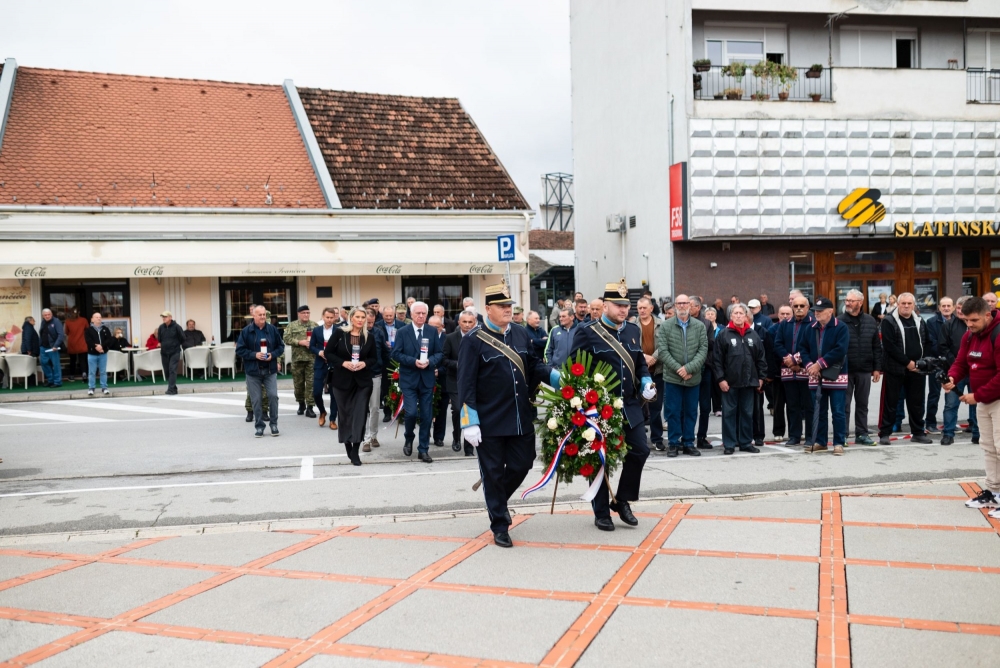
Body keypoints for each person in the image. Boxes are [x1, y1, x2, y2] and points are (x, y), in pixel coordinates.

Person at [459, 281, 553, 547]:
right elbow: (465, 383)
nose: (508, 309)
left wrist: (558, 378)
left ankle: (497, 502)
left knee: (523, 463)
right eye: (502, 306)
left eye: (509, 305)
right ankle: (500, 524)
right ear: (488, 309)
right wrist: (469, 421)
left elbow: (534, 366)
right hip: (489, 420)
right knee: (492, 472)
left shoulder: (521, 333)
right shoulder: (473, 340)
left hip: (520, 416)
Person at [569, 279, 656, 532]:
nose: (623, 309)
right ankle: (601, 512)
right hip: (599, 407)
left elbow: (639, 363)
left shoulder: (632, 330)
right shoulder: (587, 332)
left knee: (640, 450)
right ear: (605, 306)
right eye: (618, 305)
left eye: (626, 305)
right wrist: (583, 402)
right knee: (599, 459)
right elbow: (574, 368)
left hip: (628, 404)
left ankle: (622, 499)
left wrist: (646, 381)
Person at [943, 296, 1000, 515]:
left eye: (974, 320)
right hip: (984, 400)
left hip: (994, 399)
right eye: (966, 320)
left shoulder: (998, 334)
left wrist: (977, 395)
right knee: (989, 448)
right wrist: (952, 377)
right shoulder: (969, 336)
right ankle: (993, 492)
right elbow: (961, 363)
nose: (969, 325)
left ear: (987, 315)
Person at [391, 301, 444, 462]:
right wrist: (414, 361)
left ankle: (423, 449)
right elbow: (396, 354)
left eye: (423, 313)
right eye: (418, 313)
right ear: (411, 314)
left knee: (427, 416)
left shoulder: (432, 331)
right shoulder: (403, 332)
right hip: (409, 379)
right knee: (411, 413)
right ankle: (409, 437)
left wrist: (430, 361)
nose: (421, 316)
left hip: (427, 379)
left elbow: (439, 353)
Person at [656, 294, 707, 457]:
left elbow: (703, 350)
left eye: (685, 303)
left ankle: (688, 443)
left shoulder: (699, 326)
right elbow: (663, 351)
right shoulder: (666, 326)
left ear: (690, 306)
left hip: (693, 377)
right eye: (679, 303)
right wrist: (679, 369)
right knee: (673, 411)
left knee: (691, 411)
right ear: (675, 306)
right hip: (673, 377)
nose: (682, 306)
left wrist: (689, 368)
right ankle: (673, 443)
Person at [326, 307, 378, 466]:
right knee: (345, 416)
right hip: (342, 382)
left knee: (360, 415)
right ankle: (347, 444)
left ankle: (355, 449)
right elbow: (328, 353)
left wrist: (364, 363)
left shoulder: (369, 337)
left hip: (363, 383)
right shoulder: (340, 333)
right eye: (358, 317)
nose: (360, 320)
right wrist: (343, 363)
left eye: (363, 317)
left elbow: (374, 358)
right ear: (351, 318)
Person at [878, 293, 932, 445]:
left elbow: (928, 342)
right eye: (903, 303)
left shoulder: (920, 320)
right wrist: (908, 362)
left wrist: (921, 362)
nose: (906, 306)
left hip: (917, 370)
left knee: (917, 403)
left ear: (914, 305)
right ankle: (885, 433)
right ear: (898, 304)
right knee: (890, 402)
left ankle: (918, 433)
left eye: (909, 303)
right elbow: (889, 346)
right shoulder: (889, 321)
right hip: (895, 369)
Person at [712, 304, 767, 454]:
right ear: (731, 316)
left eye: (740, 313)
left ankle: (746, 443)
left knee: (747, 414)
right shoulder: (723, 335)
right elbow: (717, 360)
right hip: (729, 383)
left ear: (745, 316)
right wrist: (721, 379)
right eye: (735, 313)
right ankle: (729, 444)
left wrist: (761, 378)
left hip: (749, 382)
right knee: (729, 414)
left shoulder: (753, 335)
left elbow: (761, 358)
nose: (738, 316)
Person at [802, 297, 850, 454]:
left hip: (836, 376)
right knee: (819, 411)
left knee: (838, 412)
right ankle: (821, 441)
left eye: (820, 311)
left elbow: (840, 349)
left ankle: (838, 443)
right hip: (815, 376)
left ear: (830, 311)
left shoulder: (841, 327)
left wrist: (819, 364)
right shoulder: (810, 328)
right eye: (815, 310)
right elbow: (803, 349)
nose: (816, 313)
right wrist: (810, 366)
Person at [237, 305, 285, 437]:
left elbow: (281, 347)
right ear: (254, 315)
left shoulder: (272, 329)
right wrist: (254, 355)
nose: (263, 317)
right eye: (260, 315)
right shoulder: (246, 331)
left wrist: (273, 355)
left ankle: (274, 424)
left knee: (273, 396)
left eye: (264, 314)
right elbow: (240, 350)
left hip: (270, 370)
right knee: (256, 400)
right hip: (253, 372)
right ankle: (259, 426)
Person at [841, 289, 882, 446]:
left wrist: (877, 368)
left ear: (860, 302)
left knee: (862, 405)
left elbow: (876, 346)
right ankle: (842, 435)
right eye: (846, 300)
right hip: (845, 370)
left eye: (851, 301)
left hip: (864, 369)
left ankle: (862, 434)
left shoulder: (870, 321)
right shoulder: (839, 321)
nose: (848, 303)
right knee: (844, 405)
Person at [774, 294, 815, 446]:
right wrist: (789, 361)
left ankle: (810, 436)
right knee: (792, 406)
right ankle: (794, 436)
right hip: (788, 371)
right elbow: (777, 344)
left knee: (809, 406)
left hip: (807, 370)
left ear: (808, 307)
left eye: (801, 306)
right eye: (795, 306)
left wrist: (796, 361)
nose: (798, 308)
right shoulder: (785, 324)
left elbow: (813, 346)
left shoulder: (813, 324)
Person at [941, 296, 978, 446]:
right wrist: (957, 363)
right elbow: (943, 347)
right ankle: (948, 434)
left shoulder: (978, 327)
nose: (960, 311)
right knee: (951, 403)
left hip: (975, 371)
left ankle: (977, 433)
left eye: (963, 308)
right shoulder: (948, 325)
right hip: (956, 372)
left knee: (976, 403)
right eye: (958, 308)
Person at [442, 309, 478, 455]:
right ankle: (456, 437)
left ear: (475, 322)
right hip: (454, 381)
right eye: (464, 322)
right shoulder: (450, 338)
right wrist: (459, 365)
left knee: (470, 410)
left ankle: (469, 446)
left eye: (470, 322)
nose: (467, 325)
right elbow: (444, 359)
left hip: (473, 382)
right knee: (458, 409)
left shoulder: (479, 337)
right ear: (459, 322)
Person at [636, 297, 665, 450]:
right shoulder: (632, 325)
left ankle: (657, 438)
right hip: (639, 373)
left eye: (644, 308)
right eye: (639, 308)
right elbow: (629, 345)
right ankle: (639, 439)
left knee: (656, 407)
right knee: (638, 407)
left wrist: (654, 357)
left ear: (651, 308)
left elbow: (666, 343)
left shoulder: (662, 324)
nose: (642, 310)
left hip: (657, 371)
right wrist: (643, 357)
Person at [924, 297, 954, 434]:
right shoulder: (931, 322)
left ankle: (950, 423)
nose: (946, 308)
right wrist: (947, 355)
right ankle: (930, 423)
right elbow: (933, 343)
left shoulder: (958, 321)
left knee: (952, 395)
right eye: (943, 306)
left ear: (953, 307)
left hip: (953, 364)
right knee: (934, 394)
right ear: (939, 308)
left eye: (948, 306)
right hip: (937, 364)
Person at [284, 305, 318, 418]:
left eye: (308, 313)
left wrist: (313, 344)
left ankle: (310, 407)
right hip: (297, 360)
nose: (306, 315)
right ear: (299, 314)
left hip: (311, 359)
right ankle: (301, 403)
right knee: (298, 385)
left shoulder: (314, 325)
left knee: (311, 384)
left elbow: (320, 339)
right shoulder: (292, 325)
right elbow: (286, 339)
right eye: (303, 313)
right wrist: (299, 342)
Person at [309, 307, 339, 429]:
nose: (329, 320)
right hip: (320, 364)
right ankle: (322, 411)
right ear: (323, 317)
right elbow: (311, 346)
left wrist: (333, 355)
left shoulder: (339, 330)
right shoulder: (316, 330)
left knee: (334, 393)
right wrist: (319, 352)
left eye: (332, 317)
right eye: (327, 317)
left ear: (334, 318)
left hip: (334, 365)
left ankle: (333, 419)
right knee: (316, 392)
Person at [361, 308, 386, 451]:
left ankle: (374, 435)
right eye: (367, 323)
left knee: (375, 407)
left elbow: (385, 351)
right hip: (360, 375)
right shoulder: (356, 333)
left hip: (376, 373)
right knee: (363, 408)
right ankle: (366, 439)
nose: (370, 325)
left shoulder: (379, 332)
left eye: (372, 322)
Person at [768, 305, 793, 439]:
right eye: (782, 313)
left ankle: (794, 432)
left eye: (787, 314)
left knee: (793, 404)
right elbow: (771, 352)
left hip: (794, 371)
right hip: (778, 373)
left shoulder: (796, 328)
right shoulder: (772, 330)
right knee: (778, 404)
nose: (785, 316)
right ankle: (778, 432)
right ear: (778, 315)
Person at [374, 305, 403, 421]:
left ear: (395, 315)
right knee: (385, 387)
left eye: (391, 315)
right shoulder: (378, 325)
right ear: (383, 315)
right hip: (384, 360)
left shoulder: (402, 325)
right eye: (386, 316)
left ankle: (399, 411)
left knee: (399, 386)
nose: (389, 318)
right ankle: (387, 412)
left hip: (399, 360)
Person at [430, 315, 450, 448]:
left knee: (441, 411)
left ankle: (438, 437)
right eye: (430, 326)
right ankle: (425, 435)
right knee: (426, 409)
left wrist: (440, 371)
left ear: (442, 327)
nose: (433, 329)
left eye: (436, 327)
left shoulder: (447, 339)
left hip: (442, 379)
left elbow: (449, 359)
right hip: (425, 379)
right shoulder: (423, 337)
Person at [84, 312, 113, 396]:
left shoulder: (105, 329)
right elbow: (88, 341)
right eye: (96, 317)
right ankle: (91, 388)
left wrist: (101, 346)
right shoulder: (88, 330)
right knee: (92, 372)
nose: (99, 318)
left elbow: (109, 339)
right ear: (92, 319)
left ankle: (104, 387)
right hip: (92, 354)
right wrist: (95, 346)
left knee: (103, 371)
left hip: (103, 354)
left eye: (100, 317)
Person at [157, 311, 186, 395]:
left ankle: (171, 389)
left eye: (165, 316)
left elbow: (183, 338)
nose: (164, 318)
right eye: (163, 317)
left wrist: (175, 344)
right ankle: (173, 387)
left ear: (170, 317)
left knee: (172, 370)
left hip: (175, 352)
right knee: (167, 371)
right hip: (164, 353)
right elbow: (159, 339)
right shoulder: (161, 327)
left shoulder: (177, 327)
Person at [37, 308, 64, 388]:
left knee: (56, 365)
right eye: (45, 315)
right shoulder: (43, 322)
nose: (47, 316)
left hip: (53, 347)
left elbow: (61, 335)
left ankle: (57, 382)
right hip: (43, 347)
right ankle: (50, 380)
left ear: (51, 314)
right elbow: (42, 333)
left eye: (49, 314)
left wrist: (56, 345)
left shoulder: (56, 321)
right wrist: (40, 345)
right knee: (44, 363)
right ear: (43, 316)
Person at [704, 306, 724, 416]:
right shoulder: (702, 327)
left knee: (717, 385)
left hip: (718, 360)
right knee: (707, 386)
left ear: (716, 316)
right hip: (707, 361)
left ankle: (717, 408)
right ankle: (706, 409)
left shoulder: (722, 329)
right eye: (708, 314)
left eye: (712, 314)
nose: (710, 316)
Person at [63, 308, 88, 381]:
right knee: (83, 360)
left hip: (72, 343)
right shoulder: (84, 320)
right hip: (82, 342)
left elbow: (66, 332)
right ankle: (84, 374)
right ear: (79, 312)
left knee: (72, 360)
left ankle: (72, 375)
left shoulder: (67, 321)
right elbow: (87, 329)